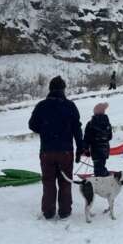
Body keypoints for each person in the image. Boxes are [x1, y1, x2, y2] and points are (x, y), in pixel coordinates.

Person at [28, 76, 83, 220]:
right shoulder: (70, 106)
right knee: (65, 181)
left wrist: (46, 130)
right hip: (66, 151)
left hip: (47, 151)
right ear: (63, 89)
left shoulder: (42, 105)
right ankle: (65, 211)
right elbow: (77, 129)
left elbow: (32, 125)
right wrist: (80, 148)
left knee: (48, 181)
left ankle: (48, 211)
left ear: (50, 89)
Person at [79, 102, 112, 177]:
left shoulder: (90, 124)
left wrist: (86, 149)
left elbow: (87, 138)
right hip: (105, 149)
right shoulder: (107, 123)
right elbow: (110, 137)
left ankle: (99, 181)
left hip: (95, 149)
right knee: (101, 165)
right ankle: (102, 176)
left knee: (98, 167)